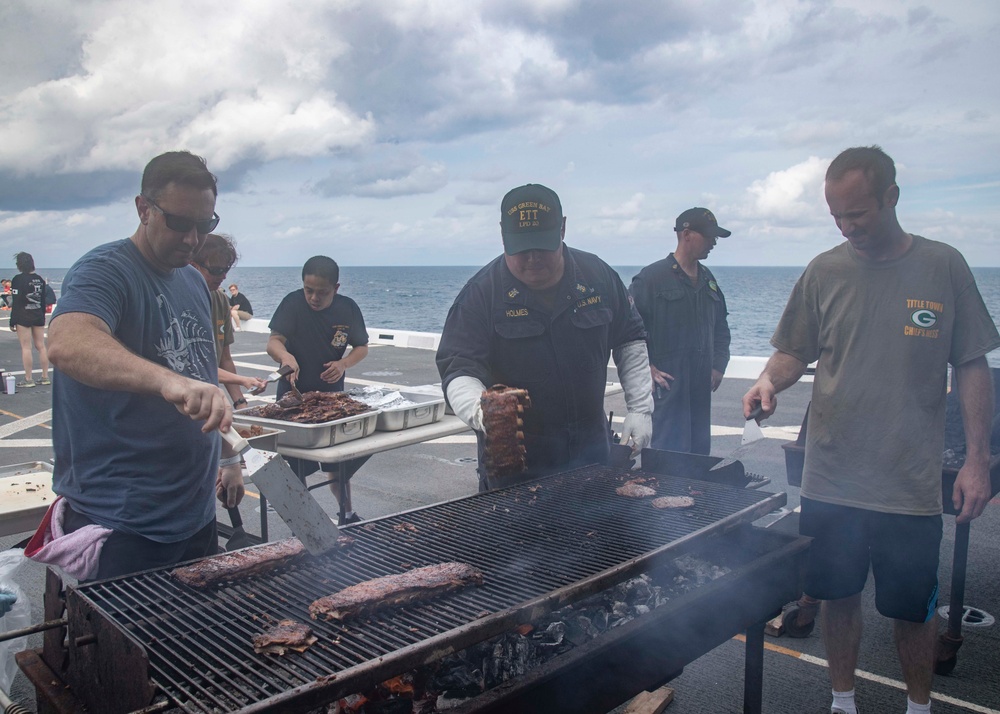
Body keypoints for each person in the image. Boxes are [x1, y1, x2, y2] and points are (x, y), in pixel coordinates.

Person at [742, 146, 1000, 714]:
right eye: (837, 215)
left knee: (913, 609)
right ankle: (842, 701)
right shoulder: (824, 271)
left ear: (891, 197)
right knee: (837, 597)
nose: (847, 226)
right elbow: (793, 350)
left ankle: (918, 706)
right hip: (831, 475)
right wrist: (768, 382)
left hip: (907, 482)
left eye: (858, 213)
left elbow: (973, 364)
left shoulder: (944, 266)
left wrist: (979, 459)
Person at [41, 150, 244, 580]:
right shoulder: (104, 271)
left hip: (195, 513)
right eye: (178, 222)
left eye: (204, 225)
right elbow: (67, 342)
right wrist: (169, 384)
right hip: (126, 523)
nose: (192, 239)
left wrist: (228, 459)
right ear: (143, 208)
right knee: (130, 644)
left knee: (194, 638)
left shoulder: (192, 280)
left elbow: (202, 374)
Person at [436, 183, 653, 492]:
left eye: (542, 246)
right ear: (502, 235)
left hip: (592, 452)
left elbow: (629, 338)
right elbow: (458, 367)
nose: (533, 258)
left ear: (563, 228)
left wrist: (640, 409)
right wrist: (485, 412)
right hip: (516, 465)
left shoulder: (598, 276)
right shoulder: (480, 295)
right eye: (522, 249)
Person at [266, 256, 369, 520]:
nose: (314, 297)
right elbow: (274, 341)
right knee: (297, 468)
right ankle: (302, 522)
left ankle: (347, 513)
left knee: (338, 464)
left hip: (332, 398)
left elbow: (361, 347)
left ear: (335, 288)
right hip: (294, 397)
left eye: (321, 292)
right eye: (308, 290)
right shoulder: (292, 303)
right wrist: (285, 357)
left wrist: (344, 363)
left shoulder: (348, 308)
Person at [629, 208, 732, 455]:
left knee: (698, 458)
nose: (714, 243)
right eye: (709, 236)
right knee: (667, 459)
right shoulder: (650, 279)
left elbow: (721, 326)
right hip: (668, 388)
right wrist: (647, 369)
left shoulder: (709, 280)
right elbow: (629, 331)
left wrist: (718, 365)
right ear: (686, 234)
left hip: (700, 388)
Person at [190, 235, 267, 406]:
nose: (224, 276)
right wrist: (243, 379)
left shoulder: (221, 300)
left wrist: (240, 402)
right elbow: (193, 367)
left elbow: (225, 359)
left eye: (226, 269)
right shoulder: (177, 301)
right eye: (217, 270)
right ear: (193, 266)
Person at [9, 252, 51, 388]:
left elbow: (16, 302)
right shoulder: (39, 279)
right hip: (38, 315)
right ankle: (45, 376)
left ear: (20, 265)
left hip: (23, 316)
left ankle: (28, 378)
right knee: (41, 346)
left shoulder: (17, 280)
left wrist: (12, 320)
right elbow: (43, 299)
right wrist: (42, 316)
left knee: (26, 347)